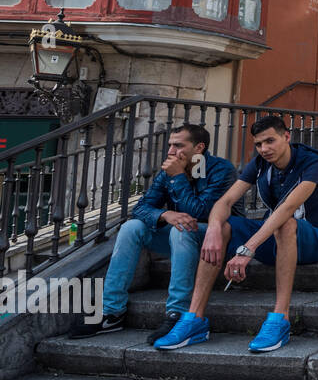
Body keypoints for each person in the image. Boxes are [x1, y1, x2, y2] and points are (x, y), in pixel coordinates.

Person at [155, 115, 318, 354]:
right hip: (275, 239)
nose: (264, 149)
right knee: (224, 224)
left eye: (270, 141)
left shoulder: (314, 162)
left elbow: (287, 209)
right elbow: (226, 200)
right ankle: (194, 319)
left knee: (285, 223)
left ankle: (280, 318)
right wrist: (213, 229)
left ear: (286, 137)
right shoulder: (260, 162)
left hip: (316, 239)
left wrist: (246, 249)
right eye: (259, 144)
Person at [71, 124, 238, 344]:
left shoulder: (221, 169)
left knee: (182, 229)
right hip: (183, 239)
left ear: (199, 148)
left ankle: (177, 313)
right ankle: (112, 312)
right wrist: (165, 215)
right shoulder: (168, 172)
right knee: (132, 228)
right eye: (170, 145)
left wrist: (178, 177)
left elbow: (201, 212)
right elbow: (140, 208)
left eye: (178, 145)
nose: (170, 151)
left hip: (219, 242)